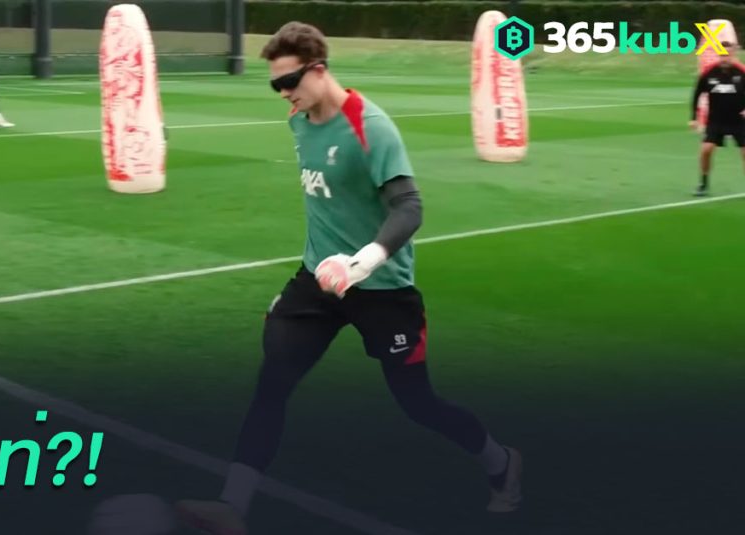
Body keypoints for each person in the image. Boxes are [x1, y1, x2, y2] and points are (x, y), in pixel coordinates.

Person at [175, 22, 522, 533]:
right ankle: (233, 507)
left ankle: (502, 462)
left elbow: (409, 207)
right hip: (317, 282)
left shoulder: (370, 126)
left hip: (382, 289)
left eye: (288, 82)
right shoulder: (298, 120)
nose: (283, 94)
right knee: (272, 383)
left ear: (318, 69)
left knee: (417, 403)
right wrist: (327, 267)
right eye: (274, 85)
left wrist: (359, 263)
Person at [690, 41, 745, 197]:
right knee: (706, 150)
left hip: (739, 121)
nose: (724, 58)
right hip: (715, 121)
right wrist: (693, 118)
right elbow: (697, 94)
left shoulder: (741, 72)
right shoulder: (709, 72)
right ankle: (703, 183)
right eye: (722, 55)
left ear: (733, 54)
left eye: (727, 54)